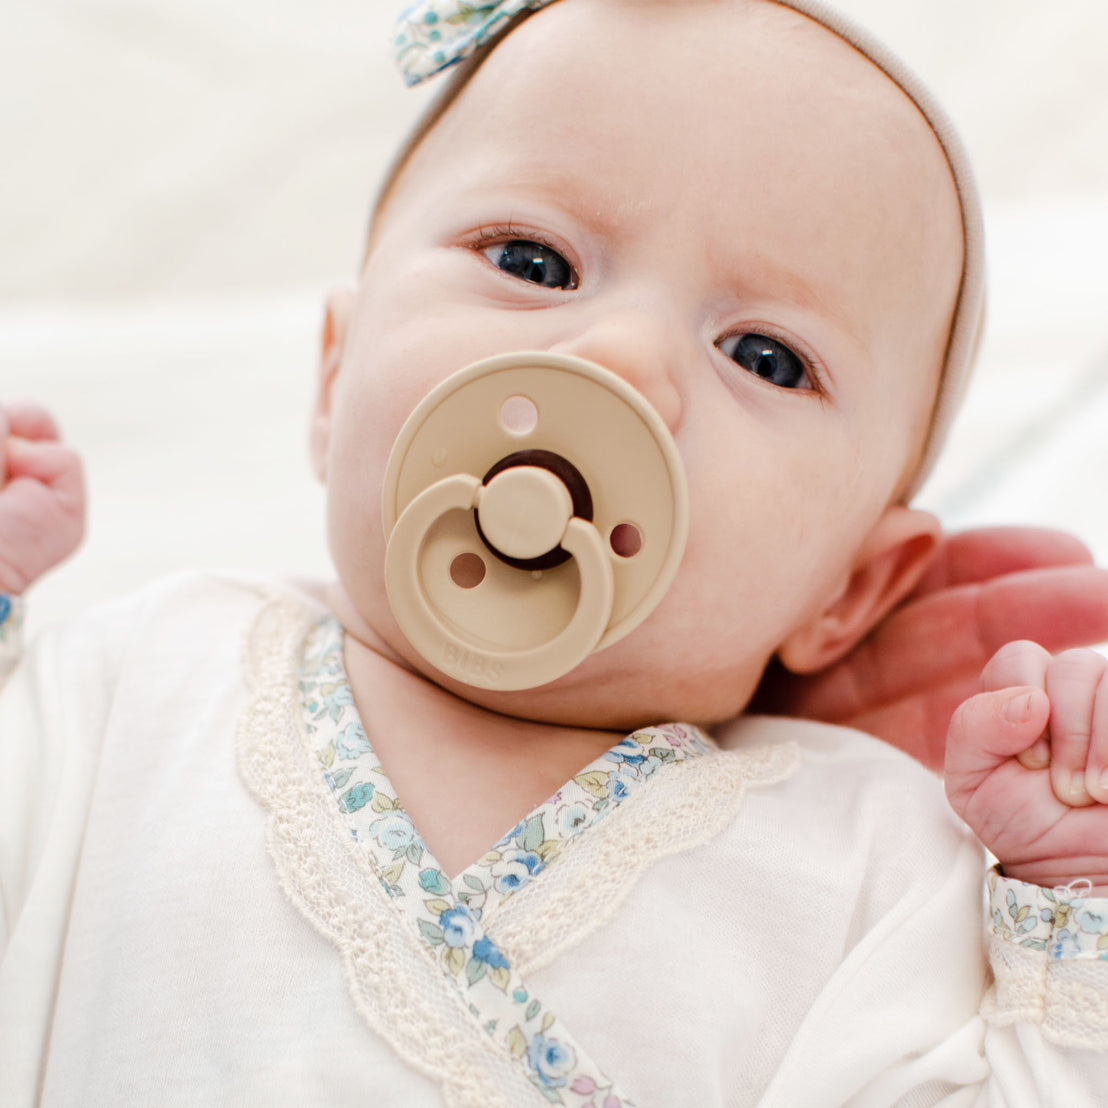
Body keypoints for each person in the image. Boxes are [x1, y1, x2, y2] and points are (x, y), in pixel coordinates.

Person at [2, 0, 1108, 1103]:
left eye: (764, 356)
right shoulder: (132, 681)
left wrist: (1073, 909)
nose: (620, 361)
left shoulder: (873, 856)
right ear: (336, 379)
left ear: (848, 587)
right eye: (531, 259)